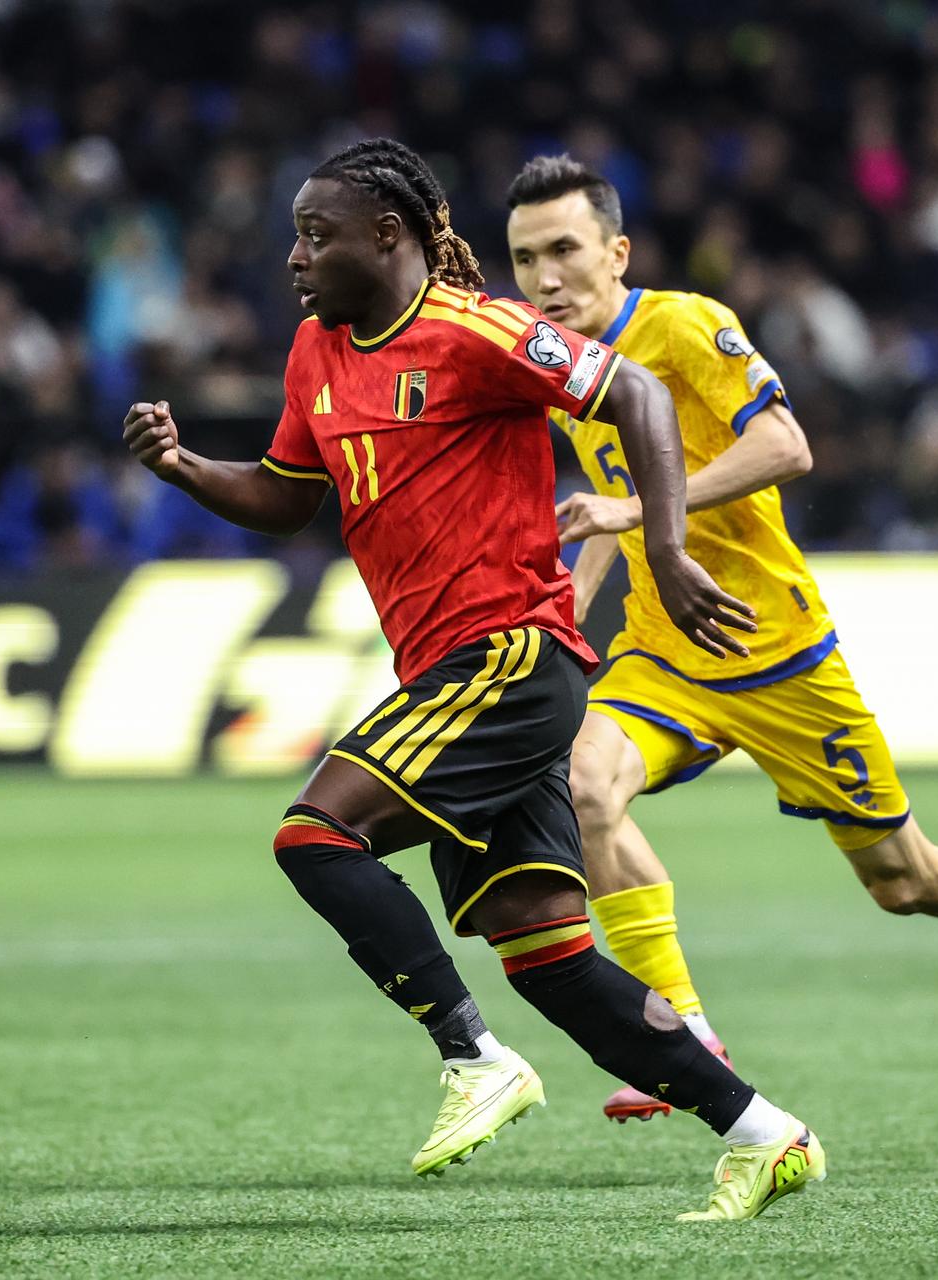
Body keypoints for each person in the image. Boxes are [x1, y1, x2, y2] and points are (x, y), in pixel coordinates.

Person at [124, 139, 823, 1220]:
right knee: (552, 958)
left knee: (314, 834)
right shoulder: (315, 351)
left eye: (319, 235)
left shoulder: (475, 329)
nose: (298, 258)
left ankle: (471, 1055)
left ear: (389, 235)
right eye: (296, 237)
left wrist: (669, 547)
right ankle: (766, 1132)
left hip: (507, 657)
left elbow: (634, 390)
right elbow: (283, 495)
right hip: (460, 672)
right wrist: (184, 469)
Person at [502, 154, 938, 1122]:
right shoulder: (559, 369)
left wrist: (636, 508)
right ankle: (687, 1030)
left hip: (781, 651)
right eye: (525, 258)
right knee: (583, 784)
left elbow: (787, 446)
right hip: (667, 656)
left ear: (617, 252)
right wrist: (567, 608)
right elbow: (603, 515)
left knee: (905, 880)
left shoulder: (687, 325)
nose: (543, 278)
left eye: (565, 250)